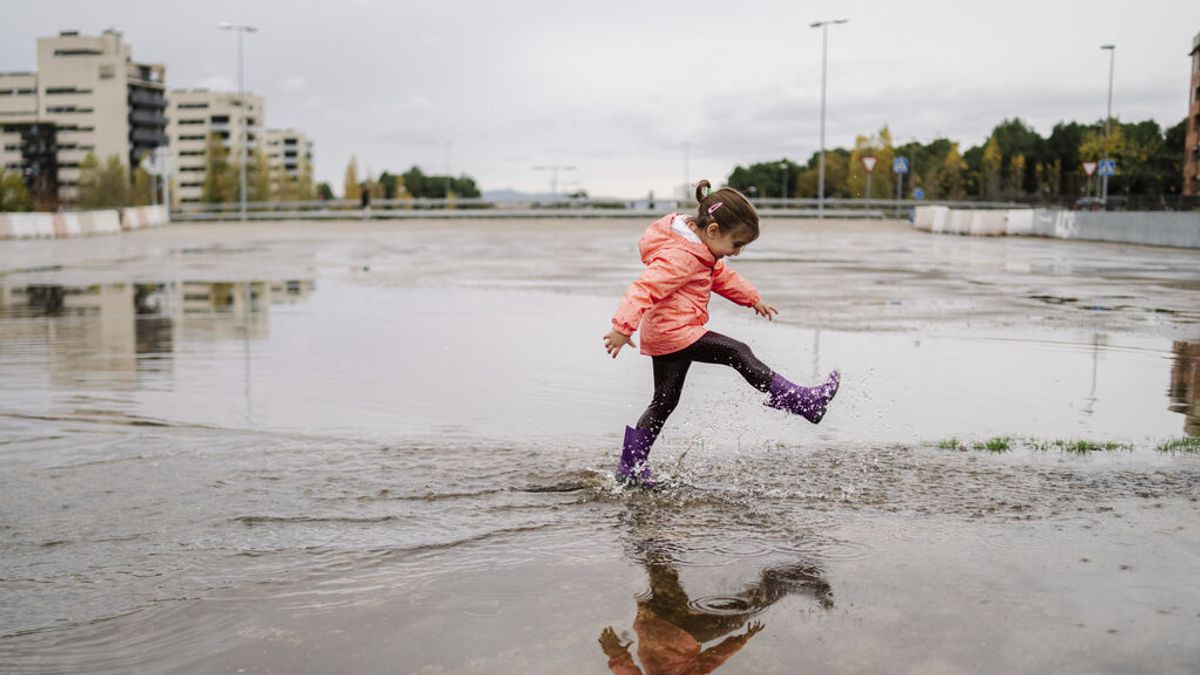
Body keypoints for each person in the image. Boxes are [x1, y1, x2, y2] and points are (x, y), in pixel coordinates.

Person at [603, 180, 840, 487]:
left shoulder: (701, 250)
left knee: (664, 402)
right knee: (736, 351)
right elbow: (644, 287)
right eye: (735, 244)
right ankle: (800, 402)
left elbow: (721, 276)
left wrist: (751, 297)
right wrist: (622, 328)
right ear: (712, 231)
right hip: (675, 331)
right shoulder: (681, 255)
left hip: (670, 333)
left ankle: (630, 468)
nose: (736, 252)